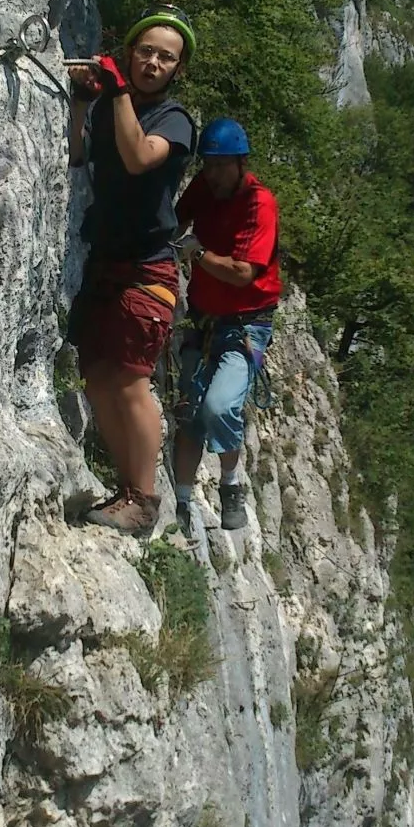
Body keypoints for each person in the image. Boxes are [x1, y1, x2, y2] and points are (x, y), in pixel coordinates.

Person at [67, 3, 197, 536]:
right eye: (146, 51)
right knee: (98, 376)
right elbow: (79, 156)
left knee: (129, 378)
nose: (153, 63)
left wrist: (117, 91)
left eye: (166, 58)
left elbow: (141, 157)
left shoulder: (175, 120)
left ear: (177, 69)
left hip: (148, 267)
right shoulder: (112, 106)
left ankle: (144, 500)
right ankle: (128, 490)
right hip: (107, 259)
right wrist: (82, 103)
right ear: (130, 52)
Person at [172, 118, 281, 534]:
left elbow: (242, 273)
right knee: (189, 413)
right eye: (208, 165)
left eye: (221, 166)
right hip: (204, 317)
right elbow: (175, 221)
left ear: (240, 163)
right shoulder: (205, 187)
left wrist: (197, 254)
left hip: (245, 325)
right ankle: (182, 504)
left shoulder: (259, 203)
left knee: (219, 406)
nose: (213, 174)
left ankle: (231, 484)